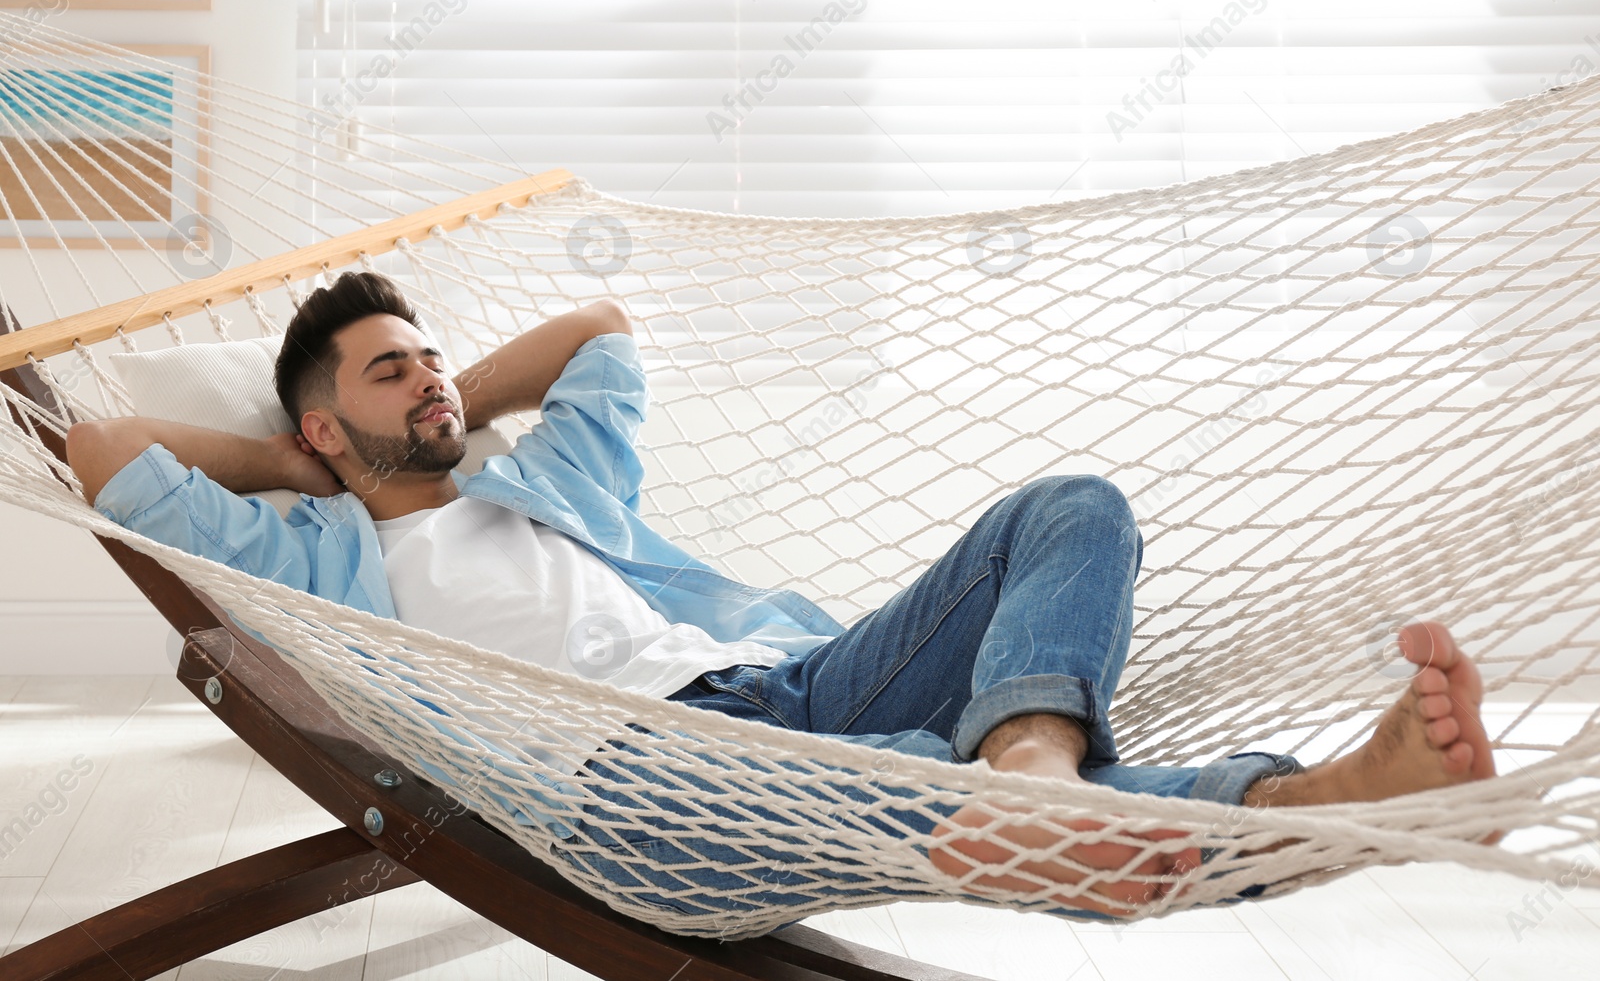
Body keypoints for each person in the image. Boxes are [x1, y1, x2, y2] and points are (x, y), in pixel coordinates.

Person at [65, 270, 1497, 923]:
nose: (435, 380)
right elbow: (104, 449)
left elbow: (599, 335)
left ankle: (1032, 755)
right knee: (938, 803)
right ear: (320, 432)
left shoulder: (550, 480)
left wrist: (431, 405)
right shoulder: (318, 562)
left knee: (1070, 511)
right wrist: (295, 466)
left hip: (785, 691)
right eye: (393, 372)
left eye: (432, 358)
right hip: (629, 784)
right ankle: (1319, 798)